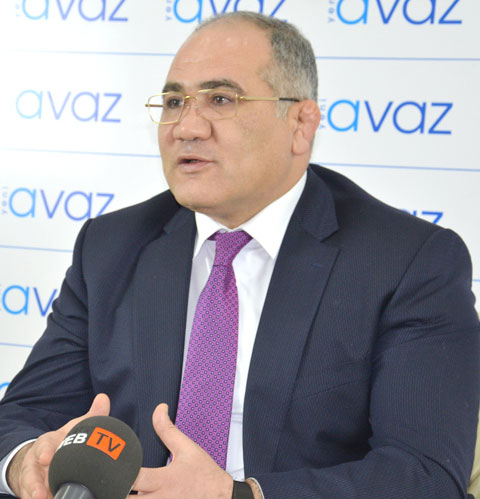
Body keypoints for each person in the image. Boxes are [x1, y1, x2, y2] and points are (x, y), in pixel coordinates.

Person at [0, 11, 479, 499]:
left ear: (300, 123)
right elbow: (23, 413)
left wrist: (238, 495)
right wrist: (24, 464)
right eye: (174, 102)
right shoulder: (110, 246)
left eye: (221, 99)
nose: (186, 127)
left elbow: (424, 474)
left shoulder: (407, 263)